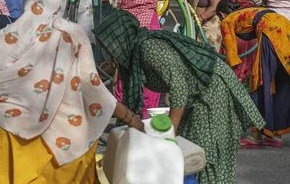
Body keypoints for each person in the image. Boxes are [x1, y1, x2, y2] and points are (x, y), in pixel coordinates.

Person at [0, 0, 144, 183]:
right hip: (65, 139)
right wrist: (131, 118)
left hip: (12, 137)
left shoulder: (7, 35)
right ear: (56, 1)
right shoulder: (72, 34)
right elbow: (93, 85)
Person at [94, 9, 265, 184]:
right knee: (187, 151)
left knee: (206, 153)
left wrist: (169, 135)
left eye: (110, 46)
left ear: (120, 39)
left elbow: (180, 87)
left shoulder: (148, 48)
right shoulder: (133, 56)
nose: (109, 52)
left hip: (212, 90)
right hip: (196, 94)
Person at [109, 0, 188, 116]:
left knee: (125, 66)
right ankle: (146, 111)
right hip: (146, 24)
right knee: (150, 67)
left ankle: (124, 111)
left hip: (125, 23)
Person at [218, 0, 290, 148]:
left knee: (260, 82)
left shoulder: (227, 20)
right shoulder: (251, 11)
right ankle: (275, 136)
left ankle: (256, 136)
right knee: (283, 81)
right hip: (288, 29)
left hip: (270, 32)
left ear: (221, 14)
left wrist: (232, 76)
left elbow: (232, 55)